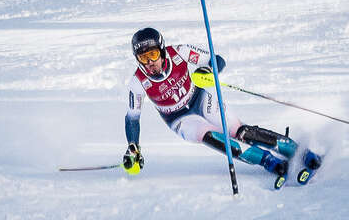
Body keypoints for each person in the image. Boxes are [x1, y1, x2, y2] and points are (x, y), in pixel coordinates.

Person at [122, 27, 320, 187]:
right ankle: (268, 162)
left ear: (162, 50)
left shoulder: (180, 53)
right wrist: (133, 147)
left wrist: (208, 69)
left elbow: (218, 59)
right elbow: (132, 118)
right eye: (143, 58)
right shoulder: (137, 83)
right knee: (209, 136)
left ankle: (299, 152)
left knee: (239, 131)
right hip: (179, 119)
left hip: (199, 99)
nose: (149, 63)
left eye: (153, 54)